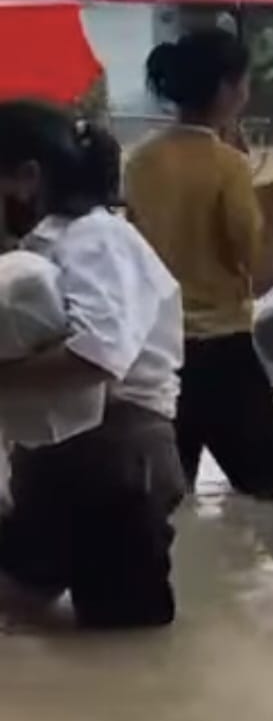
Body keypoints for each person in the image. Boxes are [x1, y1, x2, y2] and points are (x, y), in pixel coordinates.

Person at [0, 102, 184, 630]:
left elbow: (98, 354)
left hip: (118, 455)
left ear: (28, 178)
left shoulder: (93, 238)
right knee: (26, 607)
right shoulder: (37, 247)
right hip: (65, 449)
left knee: (121, 637)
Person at [125, 29, 273, 499]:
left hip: (154, 351)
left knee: (170, 500)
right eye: (244, 81)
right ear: (227, 89)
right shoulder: (228, 167)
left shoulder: (138, 161)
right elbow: (263, 277)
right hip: (223, 353)